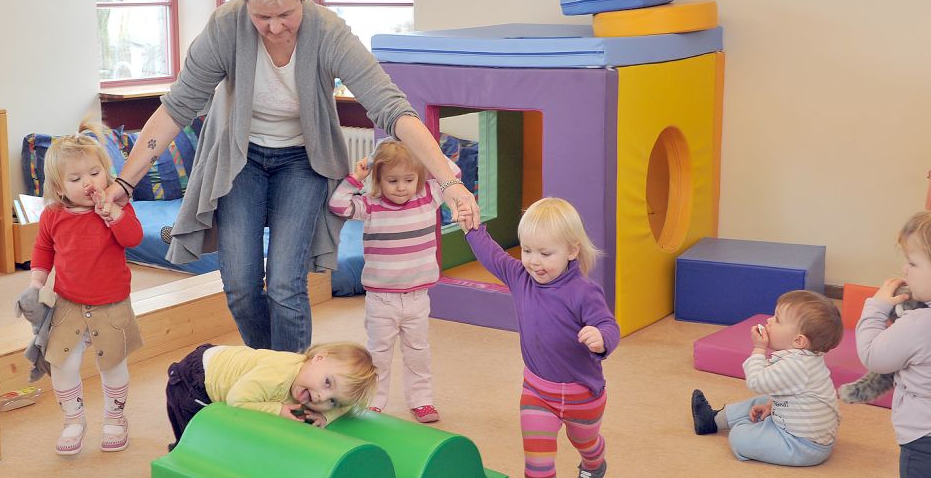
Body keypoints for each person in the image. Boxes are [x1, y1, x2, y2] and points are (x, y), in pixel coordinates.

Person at [102, 0, 479, 355]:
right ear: (244, 1)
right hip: (240, 158)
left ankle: (295, 385)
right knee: (241, 285)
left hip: (302, 160)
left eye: (286, 14)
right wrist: (124, 182)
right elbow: (175, 110)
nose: (275, 27)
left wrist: (450, 183)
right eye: (262, 16)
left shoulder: (328, 31)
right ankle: (273, 371)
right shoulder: (225, 28)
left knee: (285, 282)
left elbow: (392, 109)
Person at [462, 197, 619, 478]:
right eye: (527, 250)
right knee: (537, 465)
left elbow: (608, 324)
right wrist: (472, 229)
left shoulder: (584, 291)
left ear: (572, 251)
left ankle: (594, 463)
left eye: (545, 254)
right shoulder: (520, 277)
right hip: (536, 392)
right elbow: (492, 255)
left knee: (586, 443)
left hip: (583, 394)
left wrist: (601, 337)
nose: (534, 262)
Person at [22, 125, 144, 456]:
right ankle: (73, 420)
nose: (89, 183)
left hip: (111, 304)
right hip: (68, 304)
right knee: (62, 363)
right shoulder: (53, 215)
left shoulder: (117, 207)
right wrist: (36, 283)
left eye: (95, 172)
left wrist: (115, 214)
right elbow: (43, 249)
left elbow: (133, 238)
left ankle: (115, 418)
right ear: (59, 187)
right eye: (76, 179)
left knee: (113, 362)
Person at [328, 140, 460, 423]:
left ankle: (422, 400)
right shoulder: (371, 205)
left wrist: (425, 156)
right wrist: (356, 177)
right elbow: (337, 205)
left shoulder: (428, 196)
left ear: (419, 177)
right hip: (381, 300)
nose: (401, 187)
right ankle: (373, 402)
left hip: (417, 298)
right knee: (379, 355)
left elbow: (454, 173)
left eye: (408, 180)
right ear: (378, 179)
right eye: (392, 180)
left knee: (418, 353)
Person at [691, 289, 843, 467]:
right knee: (765, 399)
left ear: (798, 341)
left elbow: (756, 381)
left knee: (739, 437)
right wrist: (771, 405)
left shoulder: (795, 365)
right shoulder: (805, 359)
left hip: (800, 446)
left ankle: (743, 427)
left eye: (777, 319)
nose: (769, 320)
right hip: (806, 433)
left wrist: (759, 349)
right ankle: (712, 420)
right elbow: (794, 395)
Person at [165, 341, 376, 448]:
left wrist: (326, 416)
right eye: (328, 382)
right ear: (318, 358)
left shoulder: (312, 385)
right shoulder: (277, 374)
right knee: (196, 438)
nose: (321, 397)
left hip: (229, 367)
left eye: (332, 401)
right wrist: (278, 409)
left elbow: (348, 405)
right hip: (194, 380)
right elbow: (236, 401)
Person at [856, 211, 931, 478]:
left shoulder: (920, 324)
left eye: (912, 262)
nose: (904, 269)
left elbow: (873, 356)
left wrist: (876, 308)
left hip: (923, 439)